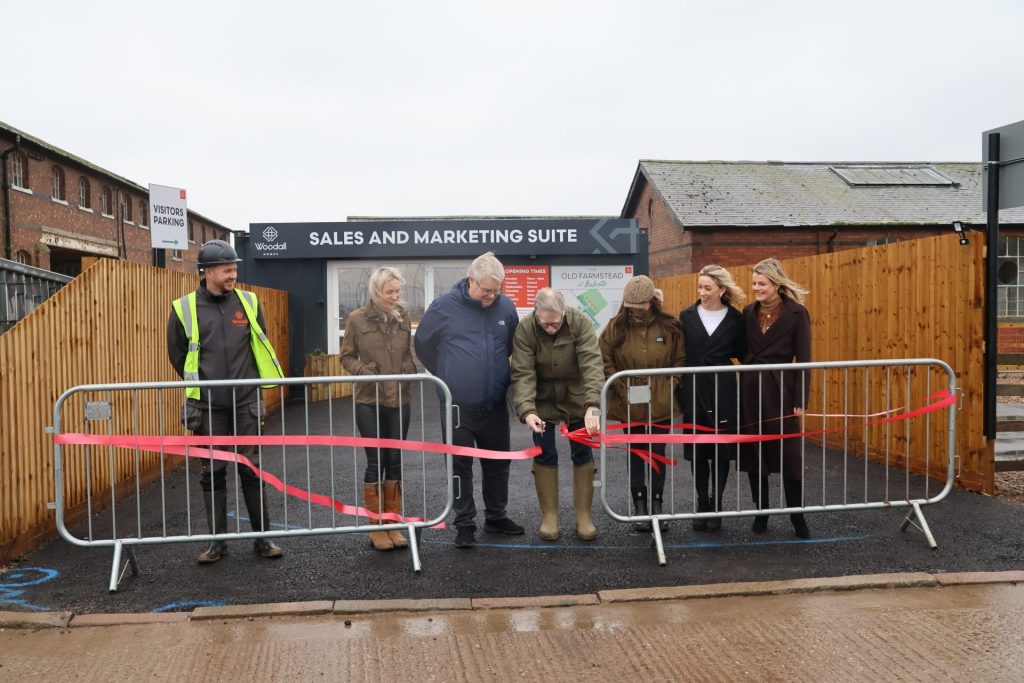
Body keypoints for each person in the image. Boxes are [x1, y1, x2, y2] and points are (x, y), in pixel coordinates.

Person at [167, 239, 285, 563]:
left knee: (251, 468)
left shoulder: (248, 301)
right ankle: (216, 544)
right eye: (227, 269)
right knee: (213, 471)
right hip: (207, 406)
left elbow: (257, 343)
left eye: (235, 268)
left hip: (245, 401)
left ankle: (263, 540)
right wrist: (206, 386)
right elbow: (178, 355)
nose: (234, 274)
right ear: (207, 271)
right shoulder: (184, 308)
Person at [414, 251, 523, 548]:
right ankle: (464, 524)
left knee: (497, 464)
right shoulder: (444, 307)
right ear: (471, 281)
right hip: (457, 406)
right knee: (460, 464)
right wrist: (447, 374)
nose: (491, 296)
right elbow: (423, 344)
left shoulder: (505, 307)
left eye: (496, 290)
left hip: (494, 403)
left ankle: (496, 516)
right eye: (486, 290)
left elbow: (514, 343)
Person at [510, 288, 603, 541]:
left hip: (577, 396)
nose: (551, 328)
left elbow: (592, 364)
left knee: (582, 451)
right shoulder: (526, 329)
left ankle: (583, 516)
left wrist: (592, 405)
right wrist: (527, 410)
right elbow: (523, 372)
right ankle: (549, 516)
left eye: (556, 322)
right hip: (542, 398)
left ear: (564, 312)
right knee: (545, 451)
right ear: (536, 314)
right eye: (545, 323)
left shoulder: (580, 322)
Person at [599, 275, 686, 532]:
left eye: (640, 304)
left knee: (657, 453)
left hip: (661, 402)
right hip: (629, 401)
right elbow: (604, 359)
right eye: (631, 304)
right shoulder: (615, 327)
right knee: (636, 454)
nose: (636, 309)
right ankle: (639, 506)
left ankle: (657, 505)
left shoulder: (670, 327)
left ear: (651, 302)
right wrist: (620, 386)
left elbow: (681, 359)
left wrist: (671, 384)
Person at [340, 267, 418, 552]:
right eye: (390, 293)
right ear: (376, 291)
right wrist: (362, 369)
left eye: (397, 292)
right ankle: (377, 529)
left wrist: (409, 367)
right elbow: (345, 356)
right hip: (369, 402)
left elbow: (410, 354)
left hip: (399, 399)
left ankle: (393, 525)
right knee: (375, 461)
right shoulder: (357, 319)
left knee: (395, 460)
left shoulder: (403, 318)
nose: (395, 297)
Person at [739, 258, 812, 539]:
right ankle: (762, 511)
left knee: (790, 455)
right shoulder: (748, 312)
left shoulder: (797, 313)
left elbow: (805, 358)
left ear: (776, 284)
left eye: (762, 284)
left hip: (782, 390)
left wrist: (800, 398)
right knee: (756, 452)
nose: (756, 288)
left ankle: (797, 515)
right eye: (754, 283)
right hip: (751, 390)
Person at [678, 265, 747, 532]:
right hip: (694, 386)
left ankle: (717, 503)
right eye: (700, 287)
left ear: (722, 289)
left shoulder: (735, 319)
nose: (702, 292)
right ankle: (702, 501)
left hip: (723, 388)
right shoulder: (686, 316)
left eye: (708, 288)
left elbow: (744, 352)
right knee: (698, 448)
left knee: (720, 447)